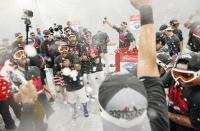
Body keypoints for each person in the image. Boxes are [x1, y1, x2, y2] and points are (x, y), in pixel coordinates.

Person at [98, 0, 169, 131]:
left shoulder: (129, 33)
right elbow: (148, 59)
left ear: (103, 114)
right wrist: (145, 9)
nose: (122, 26)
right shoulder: (158, 122)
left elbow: (136, 46)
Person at [54, 44, 89, 119]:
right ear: (59, 50)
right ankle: (74, 112)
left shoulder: (73, 56)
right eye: (61, 49)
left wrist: (70, 64)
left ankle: (85, 110)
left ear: (68, 49)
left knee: (83, 98)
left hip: (78, 82)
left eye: (65, 48)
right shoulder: (57, 59)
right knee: (71, 101)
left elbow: (79, 68)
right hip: (68, 84)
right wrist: (60, 72)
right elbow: (55, 72)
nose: (64, 50)